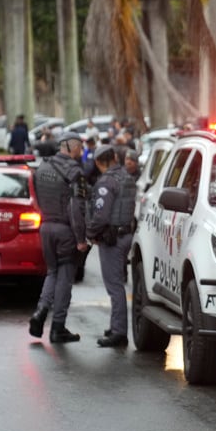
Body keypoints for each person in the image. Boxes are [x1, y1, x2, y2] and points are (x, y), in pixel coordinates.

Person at [28, 132, 89, 343]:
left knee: (52, 273)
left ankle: (41, 311)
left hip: (45, 228)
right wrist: (81, 238)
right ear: (72, 147)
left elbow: (34, 197)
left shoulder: (42, 167)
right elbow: (76, 208)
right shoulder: (75, 172)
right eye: (80, 148)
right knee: (64, 278)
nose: (81, 152)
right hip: (65, 231)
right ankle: (58, 327)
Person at [85, 144, 137, 348]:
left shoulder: (106, 182)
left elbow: (101, 215)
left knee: (114, 286)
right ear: (114, 157)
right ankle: (116, 325)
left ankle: (119, 332)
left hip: (112, 239)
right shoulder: (127, 177)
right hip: (127, 234)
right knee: (118, 284)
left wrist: (90, 233)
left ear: (99, 162)